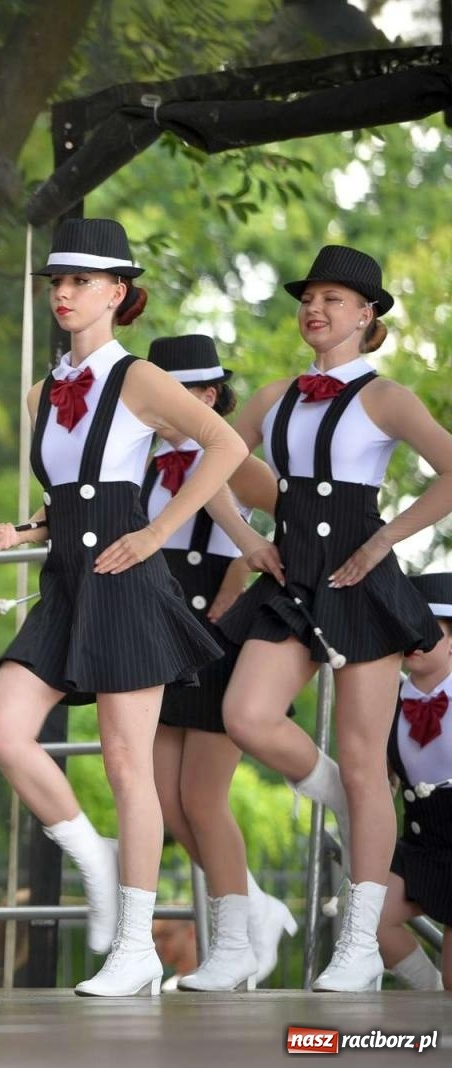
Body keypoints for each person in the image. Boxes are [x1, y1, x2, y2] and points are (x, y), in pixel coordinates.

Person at [0, 218, 249, 997]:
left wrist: (161, 528)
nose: (64, 293)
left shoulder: (138, 377)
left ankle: (135, 947)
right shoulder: (42, 391)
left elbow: (223, 445)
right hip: (66, 579)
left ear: (118, 293)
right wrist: (23, 527)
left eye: (82, 282)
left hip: (126, 579)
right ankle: (90, 853)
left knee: (129, 765)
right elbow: (70, 492)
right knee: (3, 727)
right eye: (57, 282)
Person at [215, 245, 452, 991]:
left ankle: (358, 943)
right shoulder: (275, 393)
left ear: (367, 314)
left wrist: (386, 539)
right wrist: (250, 540)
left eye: (335, 299)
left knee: (363, 759)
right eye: (309, 297)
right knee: (246, 715)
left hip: (361, 577)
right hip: (291, 575)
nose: (316, 309)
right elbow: (208, 463)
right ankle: (330, 789)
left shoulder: (387, 396)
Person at [140, 335, 298, 991]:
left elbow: (297, 518)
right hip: (156, 627)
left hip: (215, 626)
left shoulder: (229, 459)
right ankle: (255, 905)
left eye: (177, 393)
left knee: (203, 797)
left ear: (208, 396)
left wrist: (238, 578)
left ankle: (235, 938)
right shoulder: (142, 463)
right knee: (167, 803)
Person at [376, 572, 452, 991]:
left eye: (429, 632)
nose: (414, 639)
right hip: (420, 843)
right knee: (371, 916)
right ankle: (427, 994)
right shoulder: (387, 698)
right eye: (407, 628)